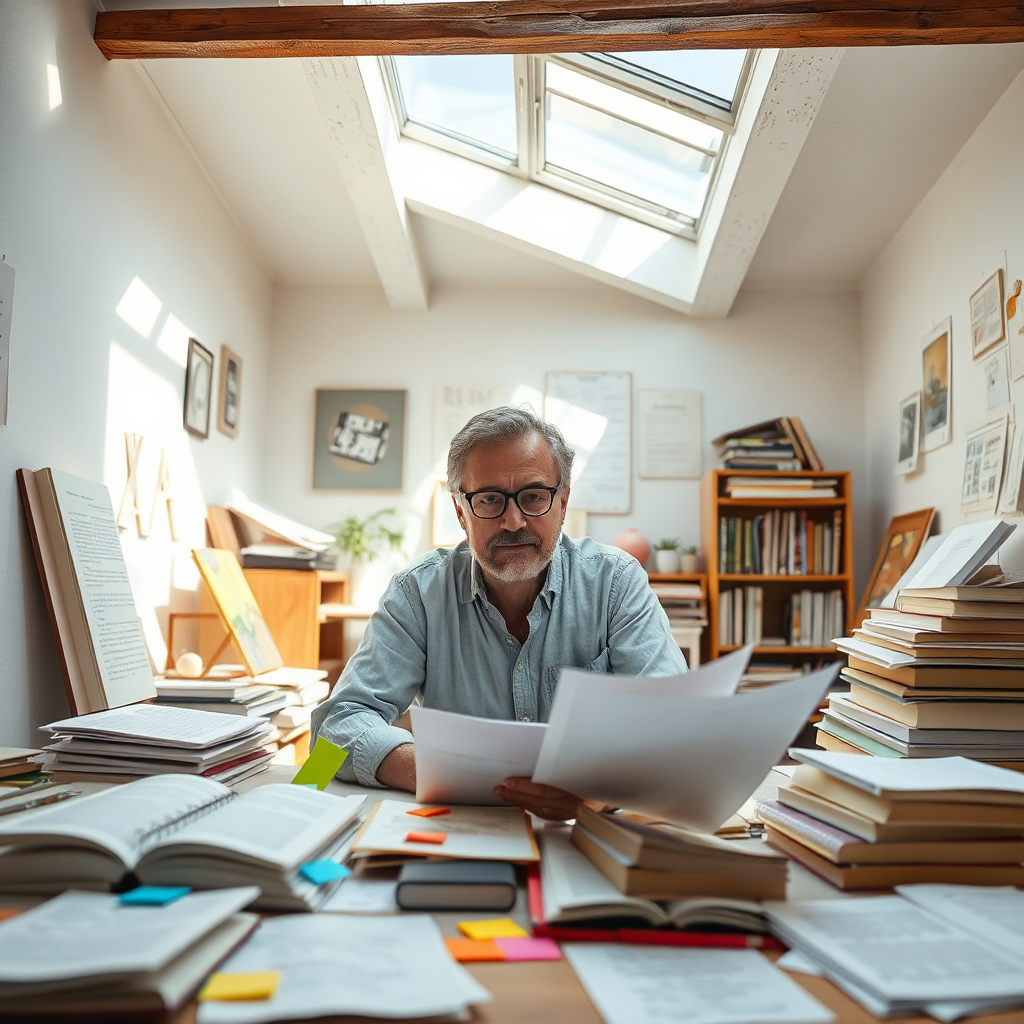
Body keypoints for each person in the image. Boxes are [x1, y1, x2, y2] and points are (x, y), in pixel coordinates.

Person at [310, 406, 688, 819]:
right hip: (461, 833)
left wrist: (607, 786)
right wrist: (440, 771)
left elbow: (675, 723)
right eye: (489, 499)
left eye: (533, 497)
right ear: (460, 512)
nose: (513, 521)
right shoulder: (417, 593)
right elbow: (329, 739)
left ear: (562, 502)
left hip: (589, 832)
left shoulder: (615, 583)